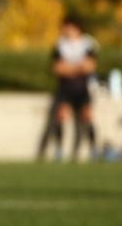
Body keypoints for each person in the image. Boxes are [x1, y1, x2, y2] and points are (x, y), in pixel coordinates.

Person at [37, 14, 98, 162]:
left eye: (67, 27)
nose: (64, 30)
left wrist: (69, 68)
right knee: (60, 117)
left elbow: (90, 66)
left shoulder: (88, 43)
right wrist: (78, 67)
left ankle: (93, 150)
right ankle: (59, 149)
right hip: (65, 88)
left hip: (83, 88)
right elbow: (57, 68)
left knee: (86, 117)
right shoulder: (60, 44)